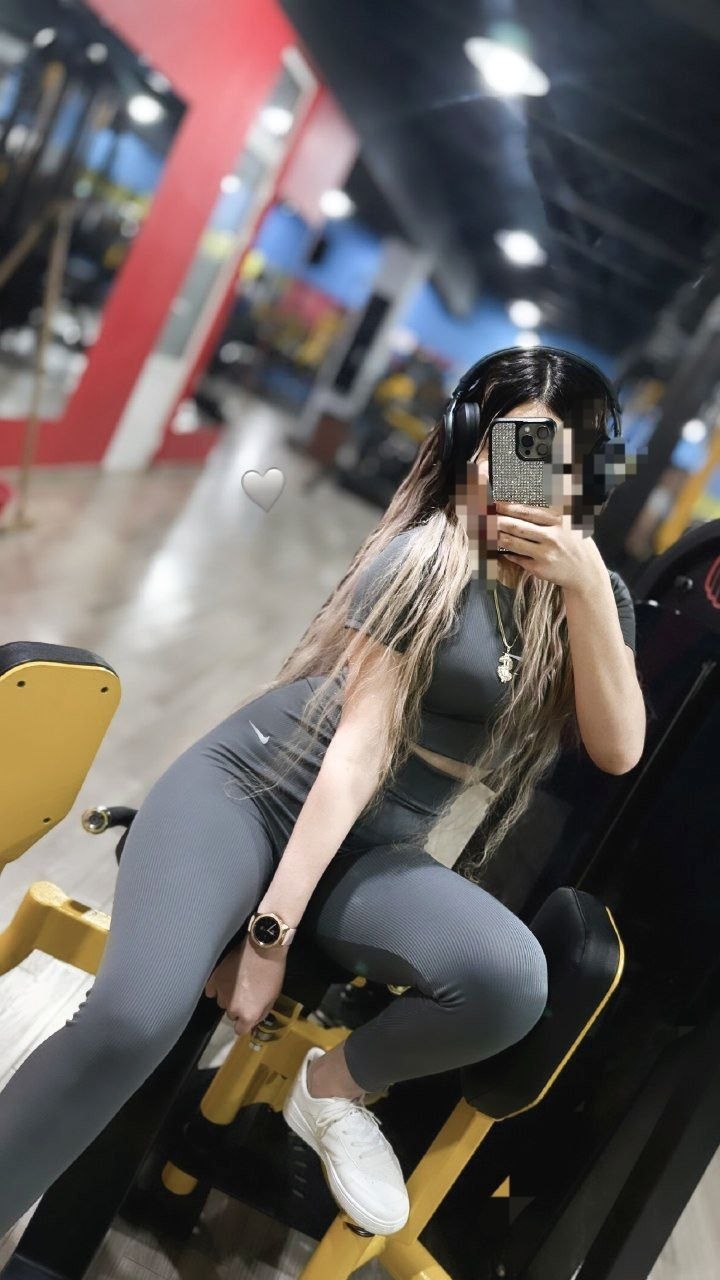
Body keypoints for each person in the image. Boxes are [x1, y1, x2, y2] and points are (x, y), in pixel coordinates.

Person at [0, 346, 646, 1241]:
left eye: (550, 457)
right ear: (470, 444)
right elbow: (357, 751)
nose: (522, 477)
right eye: (510, 446)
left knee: (508, 981)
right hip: (252, 795)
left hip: (372, 850)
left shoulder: (585, 600)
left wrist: (587, 589)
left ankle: (331, 1090)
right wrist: (269, 935)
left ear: (587, 478)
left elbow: (618, 748)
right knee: (132, 1019)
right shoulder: (421, 560)